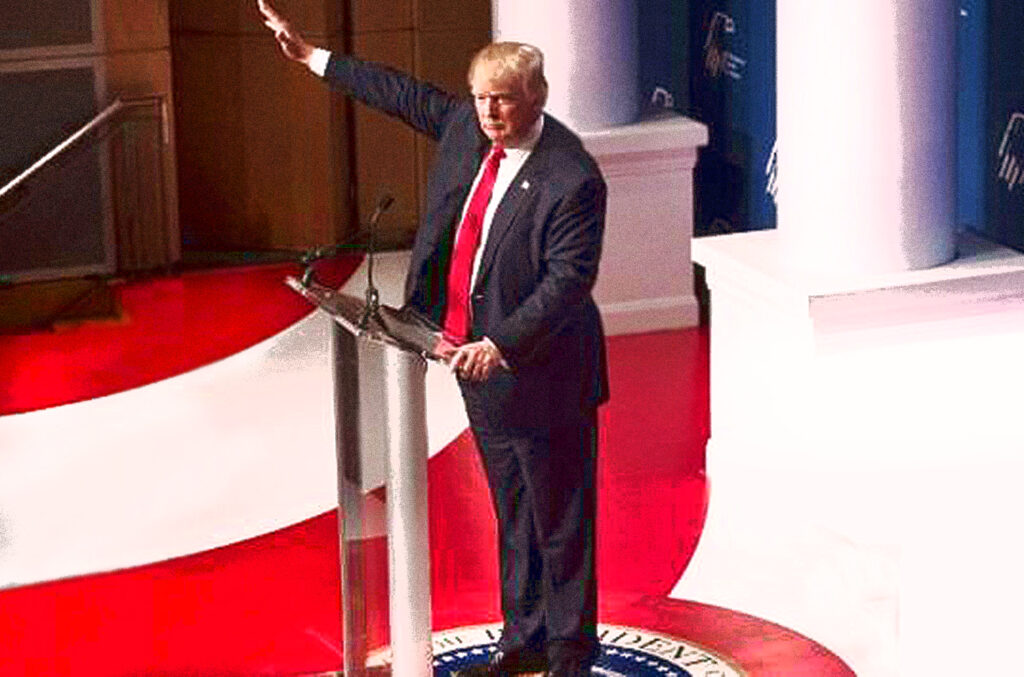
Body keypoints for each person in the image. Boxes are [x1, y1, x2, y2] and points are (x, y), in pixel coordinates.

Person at [257, 3, 609, 675]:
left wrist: (499, 342)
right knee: (511, 507)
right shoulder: (467, 128)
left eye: (502, 101)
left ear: (535, 97)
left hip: (540, 371)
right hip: (469, 361)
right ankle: (524, 638)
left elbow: (567, 282)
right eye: (480, 99)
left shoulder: (572, 176)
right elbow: (400, 92)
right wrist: (312, 57)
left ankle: (569, 655)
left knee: (560, 519)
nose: (488, 113)